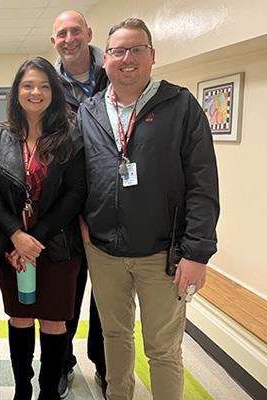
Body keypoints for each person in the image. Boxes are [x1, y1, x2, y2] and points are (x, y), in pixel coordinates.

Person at [78, 18, 219, 400]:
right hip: (104, 252)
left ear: (152, 56)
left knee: (162, 349)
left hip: (163, 253)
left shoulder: (180, 105)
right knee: (115, 336)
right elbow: (78, 176)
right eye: (118, 51)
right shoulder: (89, 111)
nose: (127, 58)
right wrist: (81, 222)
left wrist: (197, 252)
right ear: (105, 59)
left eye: (137, 49)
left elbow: (203, 184)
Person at [0, 57, 86, 400]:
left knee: (55, 322)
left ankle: (48, 393)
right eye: (27, 85)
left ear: (54, 91)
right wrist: (15, 234)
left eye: (43, 85)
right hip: (11, 249)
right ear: (16, 92)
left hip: (57, 246)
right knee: (20, 319)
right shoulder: (0, 135)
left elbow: (75, 193)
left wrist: (34, 239)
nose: (35, 92)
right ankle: (23, 389)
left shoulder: (70, 134)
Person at [50, 9, 108, 397]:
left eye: (75, 31)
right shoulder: (49, 84)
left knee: (107, 299)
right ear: (53, 42)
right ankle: (62, 363)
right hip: (65, 209)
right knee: (65, 297)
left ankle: (105, 366)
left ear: (88, 33)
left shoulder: (114, 73)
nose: (69, 39)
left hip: (109, 205)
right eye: (61, 34)